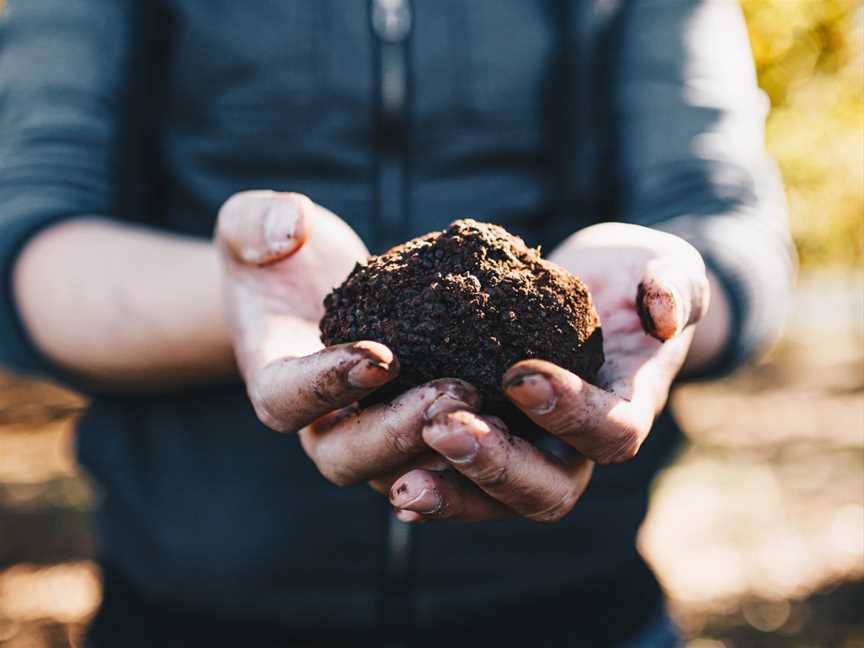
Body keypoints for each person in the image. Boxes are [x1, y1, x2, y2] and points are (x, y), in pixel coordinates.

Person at [0, 1, 794, 646]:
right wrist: (249, 301)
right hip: (188, 615)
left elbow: (725, 217)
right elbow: (32, 232)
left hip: (581, 613)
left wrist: (658, 297)